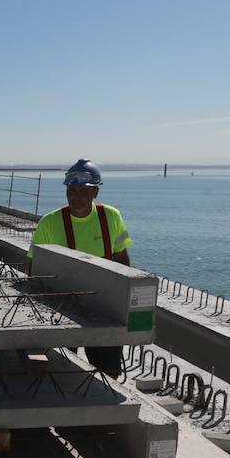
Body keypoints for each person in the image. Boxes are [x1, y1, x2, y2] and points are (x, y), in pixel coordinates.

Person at [27, 158, 133, 376]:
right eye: (71, 191)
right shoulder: (49, 223)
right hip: (62, 306)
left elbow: (122, 259)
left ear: (95, 192)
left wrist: (126, 301)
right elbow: (32, 268)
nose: (76, 197)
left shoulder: (112, 217)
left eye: (83, 192)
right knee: (63, 368)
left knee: (109, 370)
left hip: (104, 307)